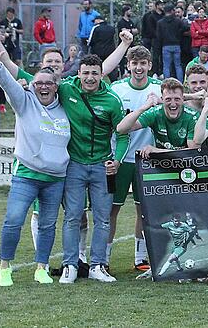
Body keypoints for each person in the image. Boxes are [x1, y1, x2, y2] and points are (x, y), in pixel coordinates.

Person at [0, 47, 70, 287]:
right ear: (32, 86)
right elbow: (8, 85)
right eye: (38, 83)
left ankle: (41, 268)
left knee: (47, 224)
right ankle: (5, 267)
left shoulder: (66, 108)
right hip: (27, 175)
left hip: (55, 178)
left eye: (49, 83)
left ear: (56, 86)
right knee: (14, 219)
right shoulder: (25, 102)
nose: (43, 87)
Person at [54, 54, 129, 284]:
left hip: (101, 167)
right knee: (72, 217)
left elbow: (123, 135)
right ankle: (70, 265)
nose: (89, 77)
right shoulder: (66, 89)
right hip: (74, 165)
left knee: (103, 219)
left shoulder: (112, 100)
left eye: (94, 73)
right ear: (78, 73)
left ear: (101, 75)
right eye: (85, 73)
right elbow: (36, 80)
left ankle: (97, 265)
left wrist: (115, 161)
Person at [107, 45, 160, 272]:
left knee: (143, 210)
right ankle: (104, 257)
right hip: (120, 158)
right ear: (127, 65)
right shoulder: (117, 89)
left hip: (147, 160)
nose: (139, 68)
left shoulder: (158, 88)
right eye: (134, 63)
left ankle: (141, 258)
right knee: (112, 209)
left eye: (143, 63)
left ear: (150, 65)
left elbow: (179, 97)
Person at [116, 78, 199, 156]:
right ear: (162, 99)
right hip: (161, 166)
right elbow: (121, 129)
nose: (173, 104)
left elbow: (192, 152)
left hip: (186, 166)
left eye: (177, 99)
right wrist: (144, 107)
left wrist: (157, 151)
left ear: (183, 99)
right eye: (168, 99)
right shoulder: (155, 113)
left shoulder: (192, 116)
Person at [157, 4, 187, 81]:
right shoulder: (177, 21)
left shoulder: (160, 22)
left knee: (166, 66)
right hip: (176, 45)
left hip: (166, 45)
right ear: (172, 11)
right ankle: (180, 82)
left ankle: (166, 82)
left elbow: (159, 36)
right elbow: (185, 28)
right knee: (178, 65)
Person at [141, 0, 164, 76]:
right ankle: (155, 72)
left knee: (162, 55)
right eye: (161, 5)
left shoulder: (164, 15)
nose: (162, 6)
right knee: (155, 56)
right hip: (152, 38)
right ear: (157, 6)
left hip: (163, 40)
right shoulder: (150, 16)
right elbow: (147, 28)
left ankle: (161, 72)